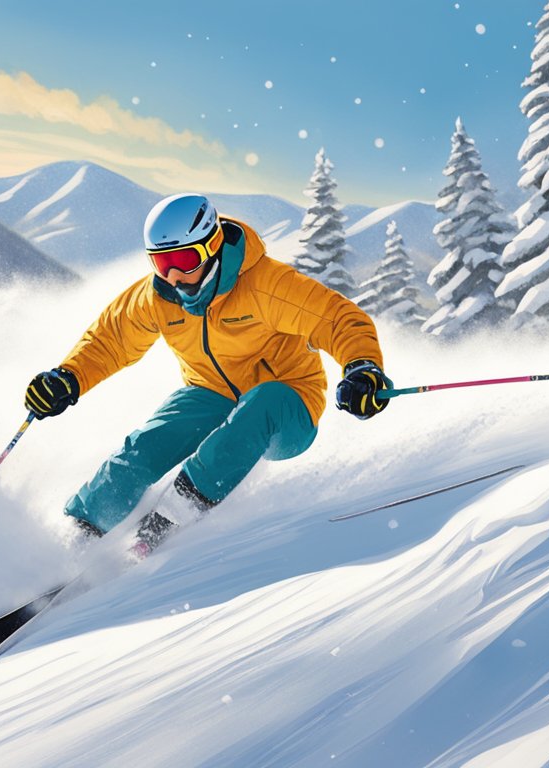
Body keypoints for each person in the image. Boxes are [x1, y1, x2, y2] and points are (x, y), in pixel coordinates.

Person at [24, 193, 391, 555]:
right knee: (146, 446)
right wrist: (68, 377)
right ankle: (79, 532)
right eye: (162, 263)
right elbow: (111, 340)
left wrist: (362, 367)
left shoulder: (264, 285)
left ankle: (173, 514)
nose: (174, 276)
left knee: (260, 404)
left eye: (184, 260)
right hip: (209, 393)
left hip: (287, 404)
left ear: (213, 245)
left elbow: (337, 319)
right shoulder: (159, 297)